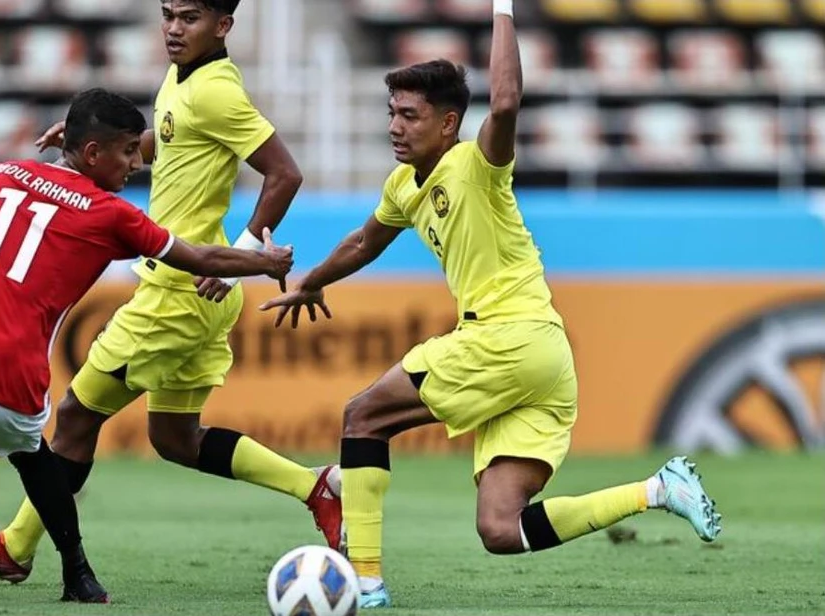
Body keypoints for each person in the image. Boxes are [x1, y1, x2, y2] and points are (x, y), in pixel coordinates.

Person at [259, 1, 722, 609]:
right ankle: (659, 491)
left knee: (362, 418)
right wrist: (314, 280)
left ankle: (364, 581)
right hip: (544, 355)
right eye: (391, 113)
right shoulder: (404, 185)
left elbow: (504, 103)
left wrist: (501, 8)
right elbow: (364, 241)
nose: (394, 126)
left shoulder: (475, 165)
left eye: (409, 115)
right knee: (501, 530)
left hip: (506, 336)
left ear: (449, 123)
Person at [0, 88, 293, 605]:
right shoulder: (111, 214)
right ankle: (79, 576)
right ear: (92, 153)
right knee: (42, 461)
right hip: (9, 385)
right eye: (127, 151)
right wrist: (265, 263)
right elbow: (199, 259)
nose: (137, 163)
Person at [0, 0, 340, 583]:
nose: (174, 28)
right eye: (168, 14)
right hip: (194, 298)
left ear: (223, 26)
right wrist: (87, 140)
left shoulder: (216, 91)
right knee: (175, 437)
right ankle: (317, 487)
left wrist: (241, 255)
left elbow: (285, 172)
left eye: (190, 17)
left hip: (178, 292)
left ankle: (15, 549)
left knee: (74, 416)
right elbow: (173, 139)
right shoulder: (185, 77)